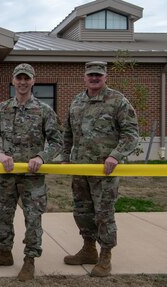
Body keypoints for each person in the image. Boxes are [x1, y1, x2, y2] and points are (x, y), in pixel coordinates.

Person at [0, 63, 63, 281]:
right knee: (3, 213)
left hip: (32, 177)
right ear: (13, 81)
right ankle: (4, 253)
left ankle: (30, 259)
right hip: (7, 175)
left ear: (33, 81)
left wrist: (41, 157)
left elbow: (57, 141)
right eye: (19, 78)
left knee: (33, 218)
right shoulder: (2, 109)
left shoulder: (44, 110)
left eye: (27, 78)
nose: (23, 82)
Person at [62, 61, 139, 277]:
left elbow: (131, 134)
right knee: (82, 211)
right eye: (91, 75)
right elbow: (67, 133)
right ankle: (88, 250)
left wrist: (116, 155)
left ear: (105, 77)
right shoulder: (77, 101)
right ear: (84, 77)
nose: (94, 78)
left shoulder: (118, 101)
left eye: (98, 75)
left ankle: (105, 256)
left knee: (104, 214)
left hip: (104, 172)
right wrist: (65, 158)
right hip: (79, 169)